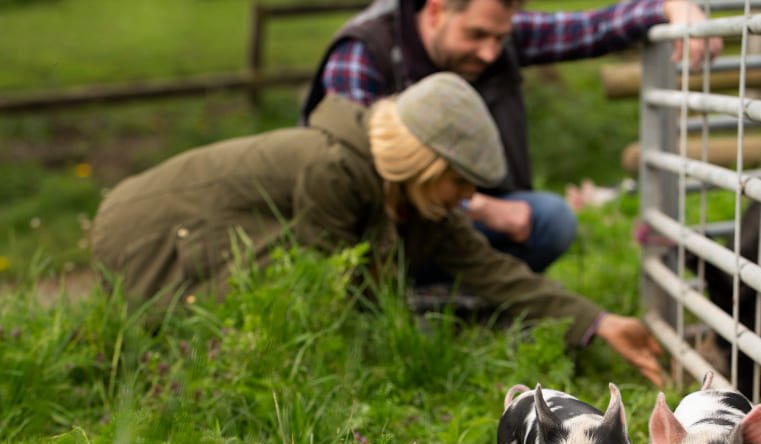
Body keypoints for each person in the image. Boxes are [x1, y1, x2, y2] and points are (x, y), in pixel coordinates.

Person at [91, 73, 666, 385]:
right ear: (424, 166)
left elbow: (493, 270)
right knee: (275, 297)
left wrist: (597, 321)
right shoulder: (333, 169)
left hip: (180, 224)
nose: (471, 198)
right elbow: (323, 299)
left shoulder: (418, 203)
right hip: (148, 232)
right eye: (459, 182)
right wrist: (371, 373)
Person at [300, 0, 723, 281]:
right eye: (477, 35)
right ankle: (396, 307)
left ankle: (469, 305)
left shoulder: (494, 29)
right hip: (386, 226)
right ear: (435, 11)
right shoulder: (365, 52)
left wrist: (671, 6)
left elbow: (588, 28)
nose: (490, 52)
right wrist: (479, 206)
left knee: (550, 220)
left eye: (499, 38)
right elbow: (352, 171)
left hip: (461, 217)